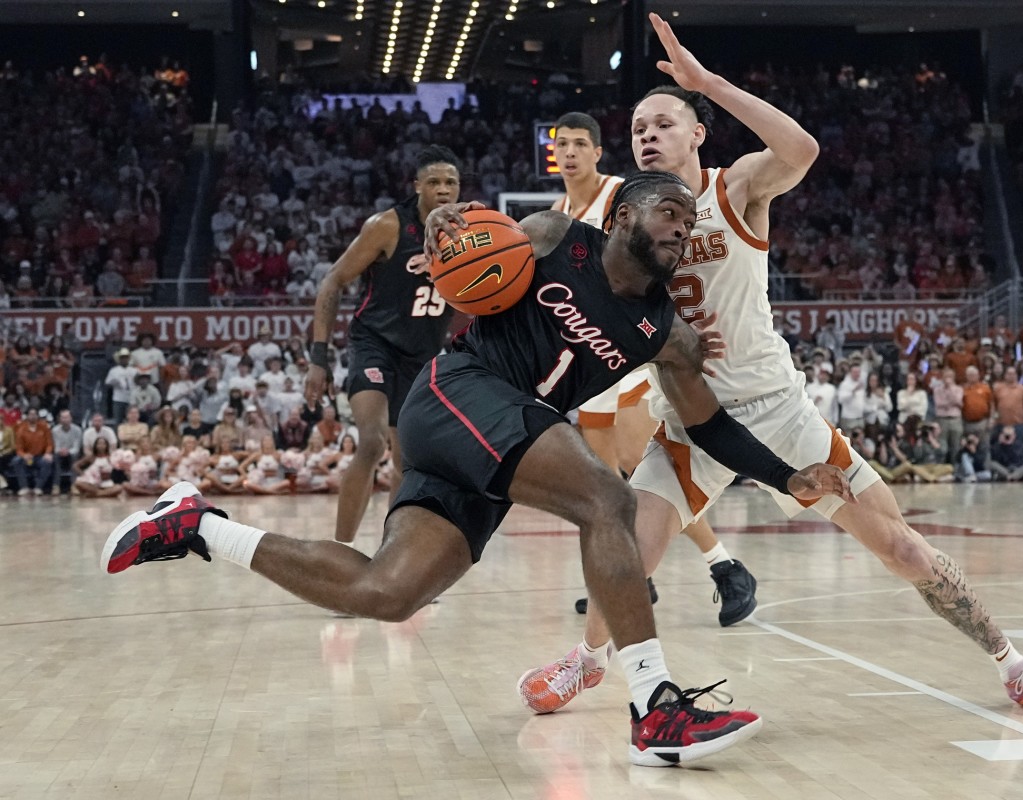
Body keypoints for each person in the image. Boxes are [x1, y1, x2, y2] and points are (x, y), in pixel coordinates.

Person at [102, 170, 852, 766]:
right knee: (609, 502)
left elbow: (708, 424)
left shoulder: (666, 333)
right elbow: (467, 238)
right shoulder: (560, 237)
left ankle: (198, 526)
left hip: (493, 440)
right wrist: (444, 228)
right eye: (669, 215)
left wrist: (787, 477)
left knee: (387, 592)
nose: (681, 231)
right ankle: (654, 706)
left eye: (689, 225)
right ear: (623, 214)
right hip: (458, 392)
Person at [519, 13, 1023, 720]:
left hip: (776, 409)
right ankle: (585, 662)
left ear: (697, 133)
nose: (647, 135)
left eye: (664, 122)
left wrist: (706, 83)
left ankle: (1014, 664)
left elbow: (802, 147)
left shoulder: (736, 187)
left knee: (901, 549)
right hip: (689, 421)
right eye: (637, 129)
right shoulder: (619, 223)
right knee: (629, 550)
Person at [553, 110, 756, 624]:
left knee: (642, 462)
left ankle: (724, 566)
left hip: (638, 346)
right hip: (593, 354)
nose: (571, 152)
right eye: (563, 143)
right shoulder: (560, 209)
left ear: (599, 152)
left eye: (581, 143)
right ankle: (636, 571)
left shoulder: (628, 193)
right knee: (605, 480)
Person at [305, 145, 462, 547]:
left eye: (451, 182)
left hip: (422, 355)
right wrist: (318, 359)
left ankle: (391, 559)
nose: (443, 189)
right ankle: (339, 555)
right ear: (417, 187)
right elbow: (333, 281)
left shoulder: (471, 232)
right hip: (374, 343)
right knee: (372, 442)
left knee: (408, 462)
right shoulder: (388, 226)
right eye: (434, 182)